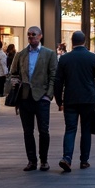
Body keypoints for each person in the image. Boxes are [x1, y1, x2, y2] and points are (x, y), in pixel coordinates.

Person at [9, 26, 58, 171]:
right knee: (27, 131)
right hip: (25, 98)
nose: (31, 37)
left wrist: (48, 95)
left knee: (44, 131)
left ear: (40, 36)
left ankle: (44, 160)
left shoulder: (49, 54)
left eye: (34, 34)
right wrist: (14, 80)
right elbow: (13, 73)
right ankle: (31, 160)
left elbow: (53, 76)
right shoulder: (21, 54)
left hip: (41, 98)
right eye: (29, 35)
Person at [56, 30, 95, 173]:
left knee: (70, 129)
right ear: (84, 41)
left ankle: (67, 158)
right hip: (88, 99)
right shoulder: (92, 57)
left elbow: (58, 81)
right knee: (86, 129)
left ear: (72, 42)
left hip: (70, 99)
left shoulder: (64, 59)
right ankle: (84, 161)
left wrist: (59, 101)